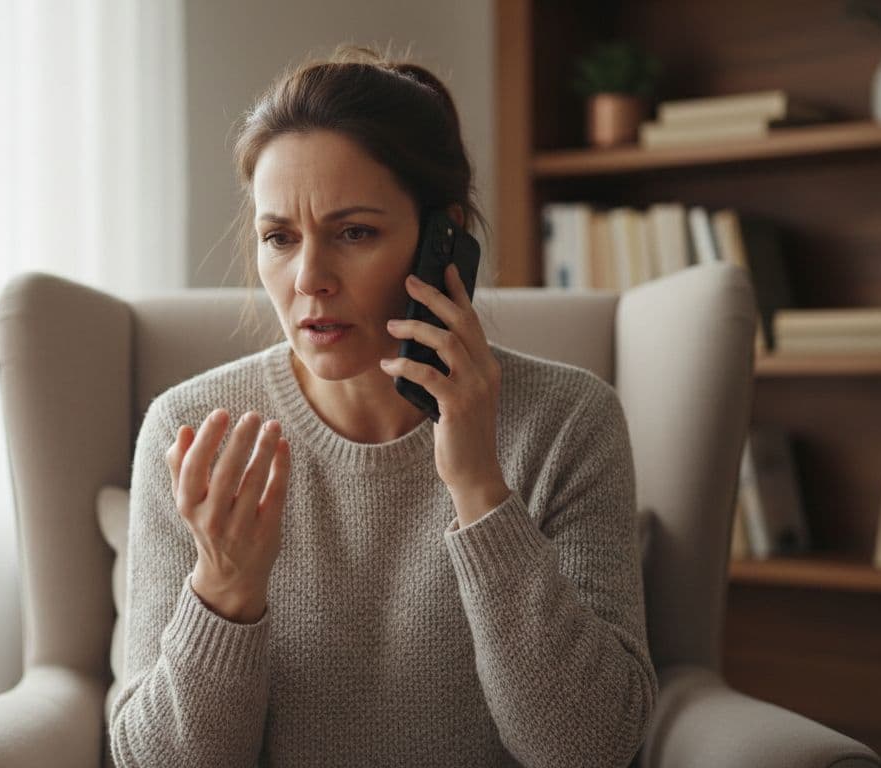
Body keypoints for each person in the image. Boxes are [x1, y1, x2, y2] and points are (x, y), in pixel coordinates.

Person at [108, 44, 657, 768]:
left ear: (444, 237)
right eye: (279, 238)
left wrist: (481, 491)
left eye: (354, 233)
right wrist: (224, 585)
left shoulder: (568, 421)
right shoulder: (187, 431)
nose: (310, 278)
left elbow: (592, 748)